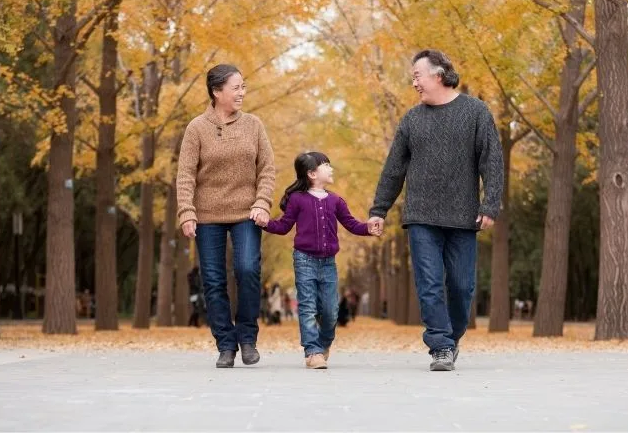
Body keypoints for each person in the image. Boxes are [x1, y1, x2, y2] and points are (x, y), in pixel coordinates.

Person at [367, 49, 504, 372]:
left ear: (438, 75)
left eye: (418, 75)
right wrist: (379, 210)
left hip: (463, 215)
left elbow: (492, 162)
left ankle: (452, 337)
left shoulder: (476, 112)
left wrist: (490, 204)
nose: (414, 82)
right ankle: (440, 345)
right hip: (421, 216)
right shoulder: (412, 120)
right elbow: (393, 169)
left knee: (461, 286)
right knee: (429, 282)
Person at [177, 63, 276, 368]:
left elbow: (267, 169)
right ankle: (225, 344)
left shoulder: (254, 125)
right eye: (236, 88)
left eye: (243, 87)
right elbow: (185, 174)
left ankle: (247, 338)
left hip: (247, 212)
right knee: (213, 279)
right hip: (207, 215)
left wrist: (262, 202)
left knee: (247, 270)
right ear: (217, 92)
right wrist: (187, 212)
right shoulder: (196, 128)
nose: (242, 93)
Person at [258, 151, 379, 369]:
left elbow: (352, 224)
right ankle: (312, 351)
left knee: (331, 310)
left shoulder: (336, 201)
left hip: (328, 263)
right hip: (304, 260)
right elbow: (284, 226)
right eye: (326, 165)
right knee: (307, 306)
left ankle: (323, 344)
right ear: (312, 174)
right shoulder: (297, 200)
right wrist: (265, 222)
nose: (331, 169)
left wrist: (369, 228)